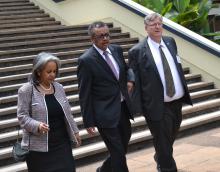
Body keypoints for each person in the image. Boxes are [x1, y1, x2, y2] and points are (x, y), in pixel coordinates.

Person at [128, 13, 192, 172]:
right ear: (146, 28)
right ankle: (167, 167)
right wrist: (139, 108)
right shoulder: (137, 51)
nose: (157, 27)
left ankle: (161, 156)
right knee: (163, 141)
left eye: (159, 23)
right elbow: (136, 82)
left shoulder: (170, 42)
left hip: (176, 102)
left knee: (170, 136)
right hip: (156, 105)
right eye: (153, 24)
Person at [77, 21, 135, 172]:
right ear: (92, 39)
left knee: (121, 148)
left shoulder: (116, 50)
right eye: (100, 36)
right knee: (118, 153)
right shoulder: (86, 60)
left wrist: (130, 79)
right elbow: (85, 93)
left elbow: (126, 69)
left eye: (107, 34)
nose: (105, 38)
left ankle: (103, 170)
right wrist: (88, 120)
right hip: (104, 114)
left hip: (122, 108)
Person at [17, 52, 81, 172]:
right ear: (38, 71)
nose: (53, 75)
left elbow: (68, 113)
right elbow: (22, 116)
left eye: (54, 71)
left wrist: (75, 131)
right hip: (38, 147)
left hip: (62, 143)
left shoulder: (59, 88)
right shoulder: (26, 90)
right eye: (48, 71)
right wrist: (37, 125)